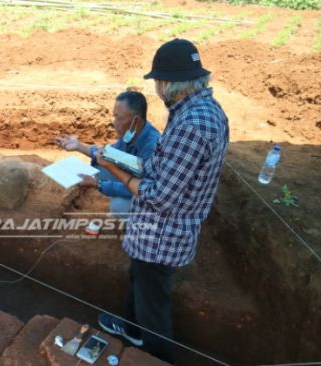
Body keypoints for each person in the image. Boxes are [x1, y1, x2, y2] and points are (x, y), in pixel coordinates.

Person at [95, 39, 229, 364]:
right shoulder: (198, 111)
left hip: (162, 236)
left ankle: (156, 356)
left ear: (168, 83)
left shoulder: (192, 126)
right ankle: (130, 327)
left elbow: (161, 196)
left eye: (157, 81)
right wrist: (117, 158)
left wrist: (115, 170)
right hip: (154, 234)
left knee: (153, 304)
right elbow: (161, 167)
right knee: (138, 278)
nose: (156, 87)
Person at [55, 91, 160, 215]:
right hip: (134, 175)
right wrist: (79, 146)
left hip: (150, 194)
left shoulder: (152, 145)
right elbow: (109, 154)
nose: (114, 123)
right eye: (114, 116)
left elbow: (144, 188)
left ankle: (135, 225)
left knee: (119, 206)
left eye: (119, 118)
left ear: (135, 120)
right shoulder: (131, 132)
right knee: (100, 170)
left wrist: (98, 184)